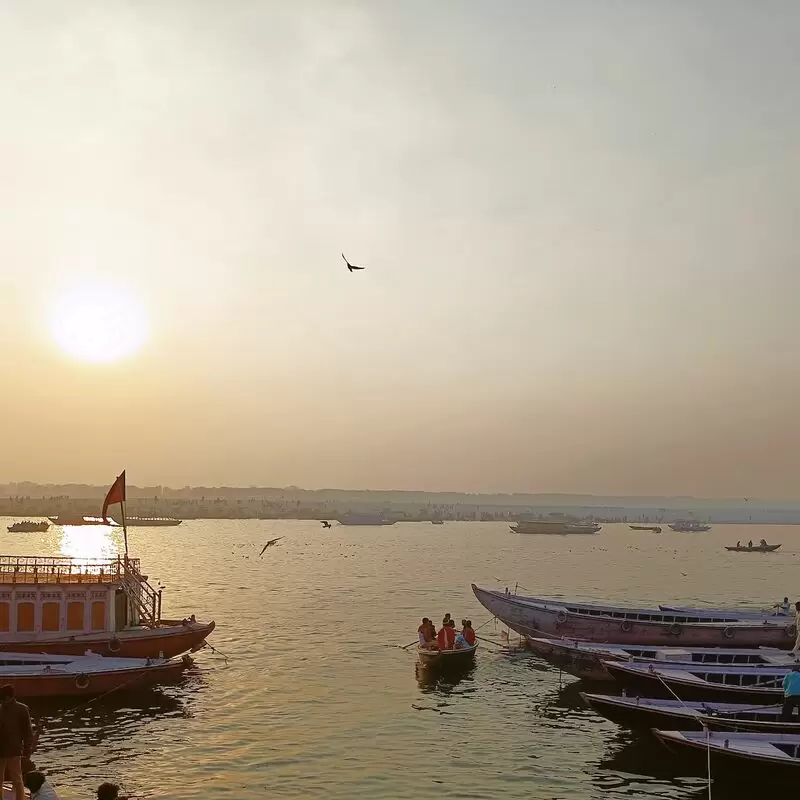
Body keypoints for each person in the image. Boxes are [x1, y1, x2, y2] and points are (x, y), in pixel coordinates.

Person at [0, 684, 33, 800]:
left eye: (5, 697)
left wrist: (27, 750)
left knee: (17, 780)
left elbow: (28, 731)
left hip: (14, 751)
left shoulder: (22, 709)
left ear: (10, 696)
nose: (4, 700)